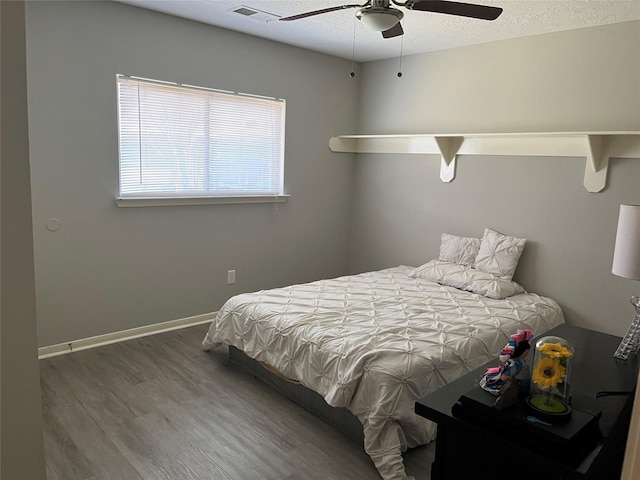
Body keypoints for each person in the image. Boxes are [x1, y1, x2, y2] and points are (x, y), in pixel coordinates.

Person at [480, 329, 533, 400]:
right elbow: (504, 377)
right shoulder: (517, 365)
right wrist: (512, 380)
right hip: (521, 384)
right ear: (523, 353)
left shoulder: (515, 362)